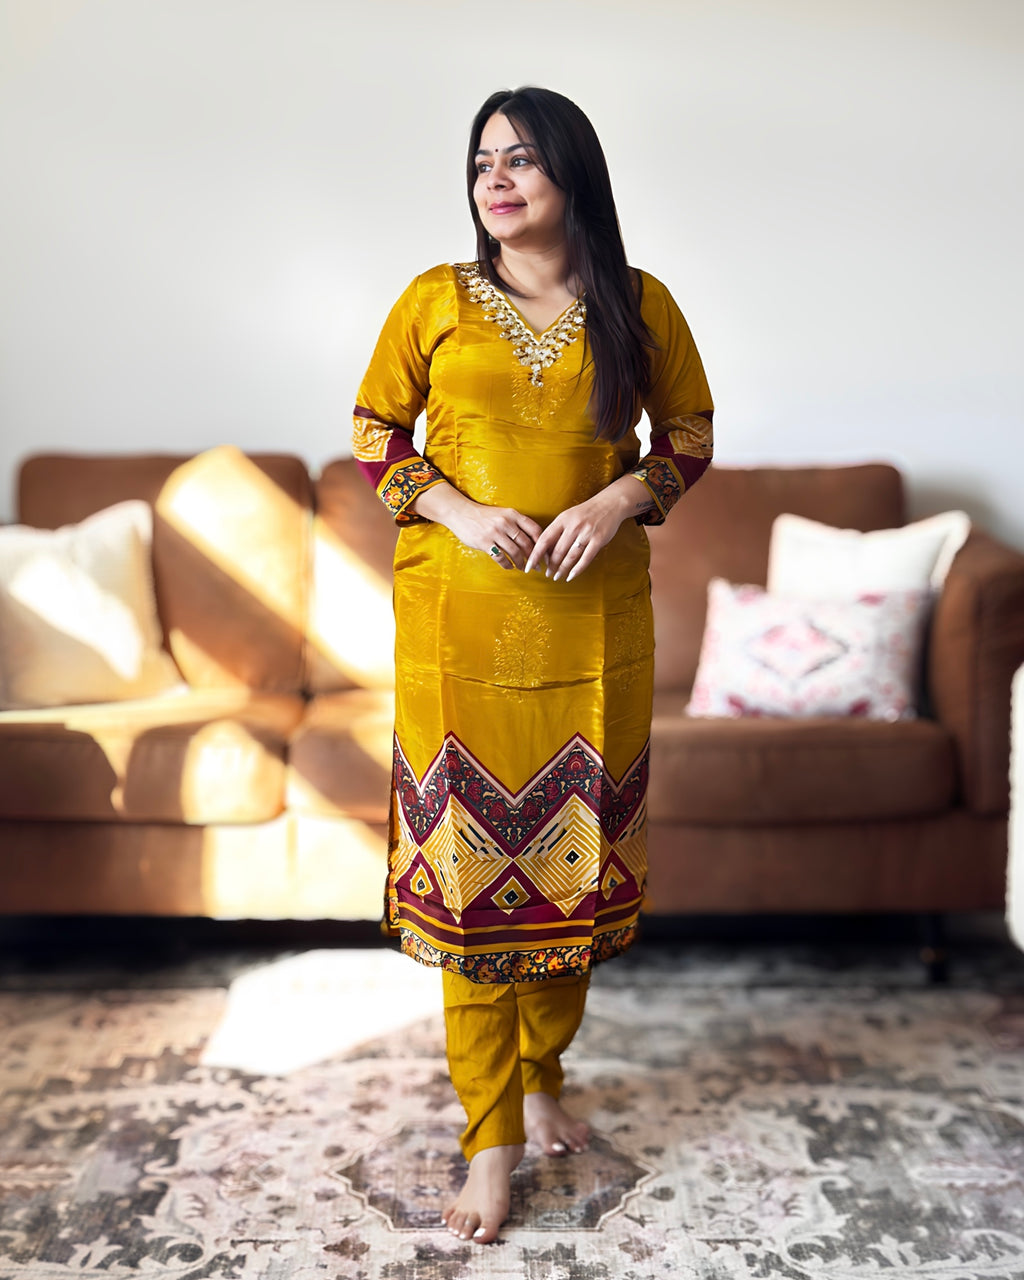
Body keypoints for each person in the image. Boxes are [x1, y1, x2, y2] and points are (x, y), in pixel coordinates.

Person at [351, 86, 713, 1244]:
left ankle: (542, 1069)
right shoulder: (432, 301)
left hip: (591, 634)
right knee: (470, 893)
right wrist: (452, 507)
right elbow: (373, 430)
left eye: (521, 161)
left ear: (573, 177)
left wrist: (620, 494)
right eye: (480, 163)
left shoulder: (638, 306)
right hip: (456, 636)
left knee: (569, 876)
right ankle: (489, 1136)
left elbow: (690, 437)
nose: (495, 181)